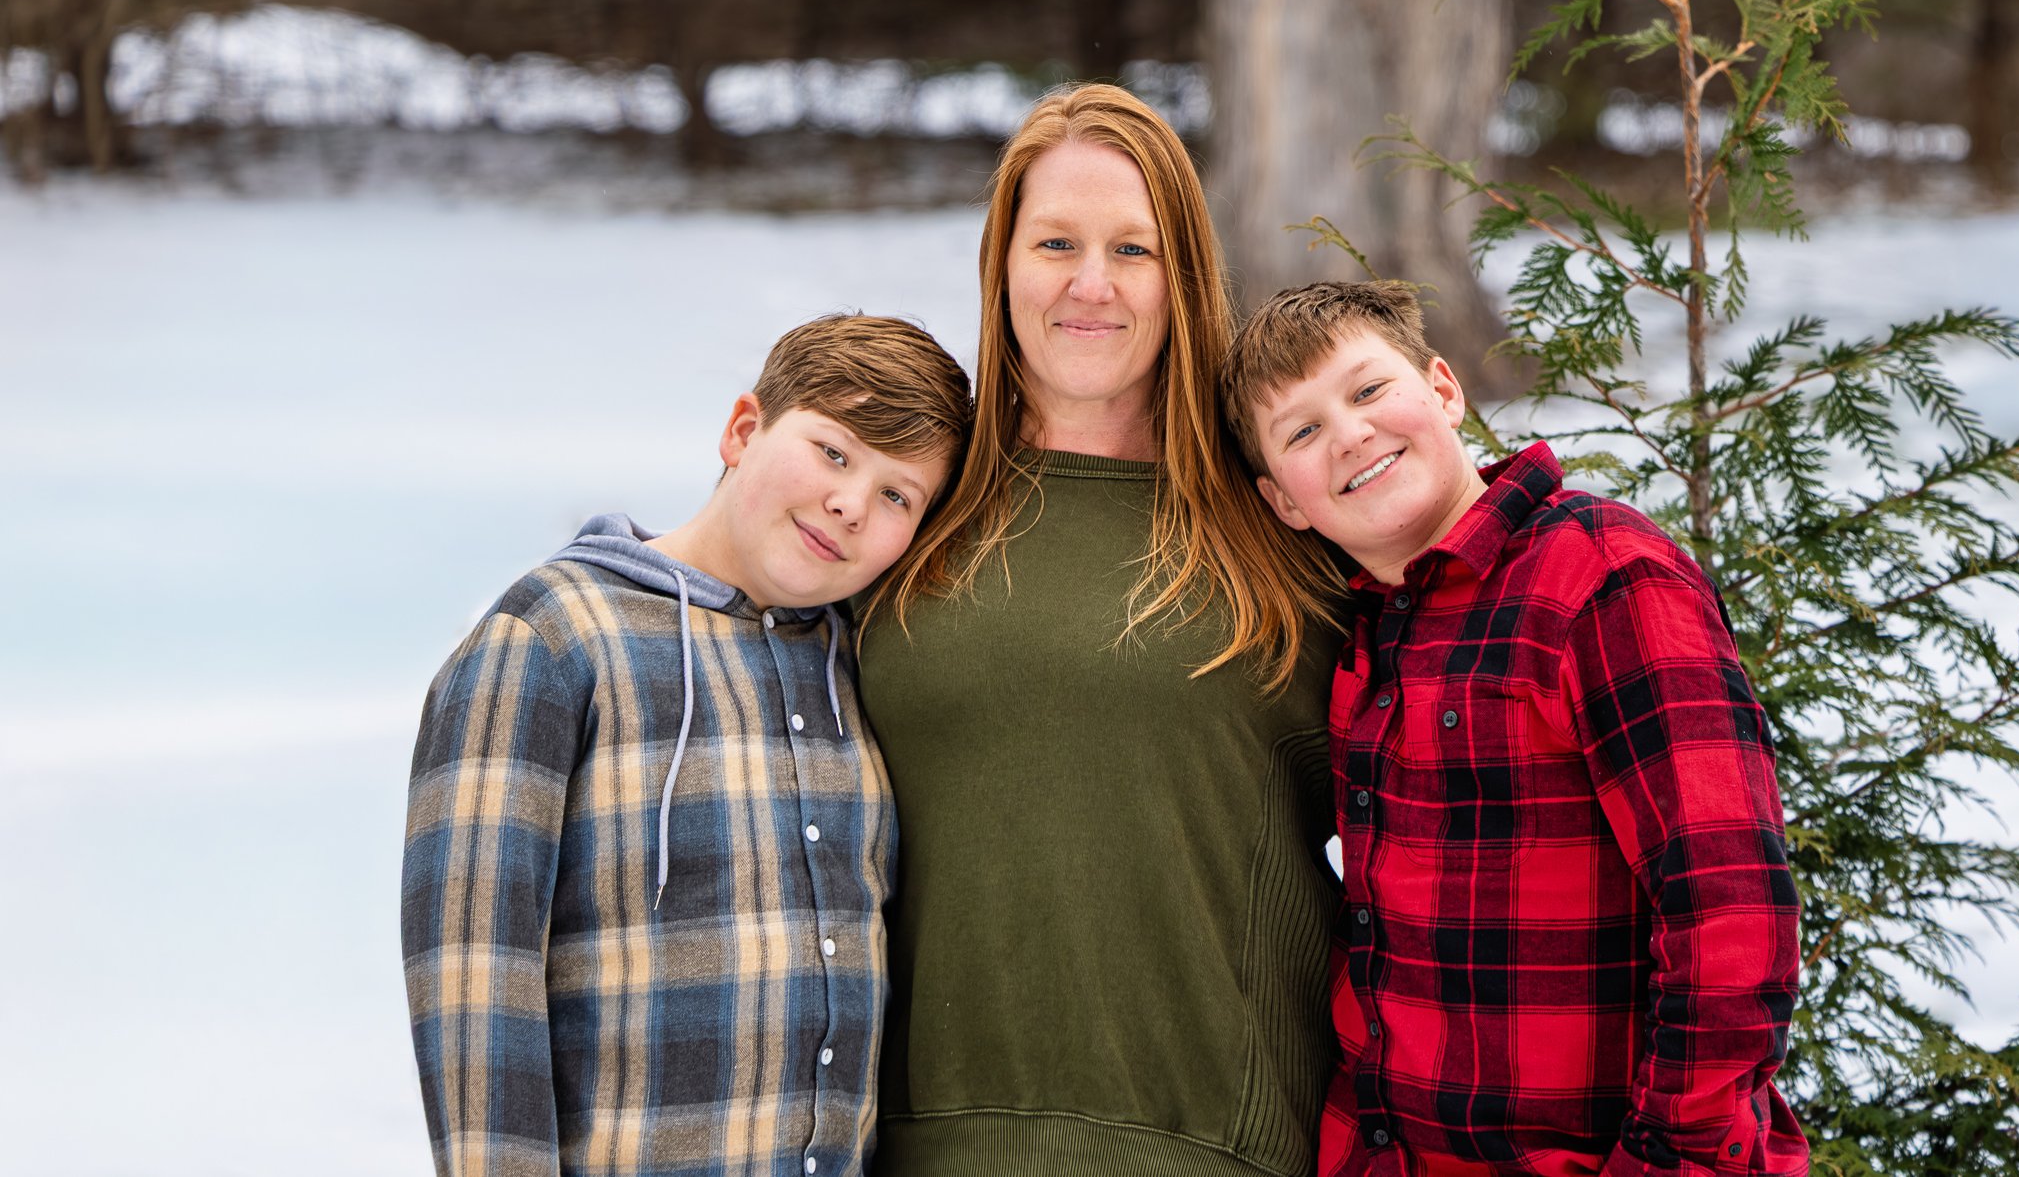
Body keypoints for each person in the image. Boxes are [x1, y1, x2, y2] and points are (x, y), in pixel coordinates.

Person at [858, 83, 1346, 1177]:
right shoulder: (904, 515)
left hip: (1210, 1149)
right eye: (1055, 243)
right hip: (919, 1149)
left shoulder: (1286, 524)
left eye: (1134, 247)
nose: (1090, 283)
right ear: (1002, 266)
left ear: (1186, 275)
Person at [1221, 280, 1810, 1177]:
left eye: (1369, 389)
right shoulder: (1365, 637)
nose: (1349, 432)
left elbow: (1727, 914)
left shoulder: (1601, 578)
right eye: (1301, 431)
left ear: (1445, 390)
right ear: (1284, 502)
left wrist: (1667, 1161)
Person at [400, 313, 972, 1177]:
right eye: (833, 452)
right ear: (744, 430)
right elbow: (475, 984)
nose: (851, 503)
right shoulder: (551, 639)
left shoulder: (864, 668)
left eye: (898, 495)